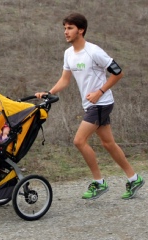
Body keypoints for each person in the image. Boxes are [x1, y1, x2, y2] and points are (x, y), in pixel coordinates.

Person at [35, 13, 144, 200]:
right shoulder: (68, 54)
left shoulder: (94, 52)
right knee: (108, 143)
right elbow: (65, 79)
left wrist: (99, 92)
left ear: (81, 30)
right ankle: (134, 178)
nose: (65, 32)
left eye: (70, 28)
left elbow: (118, 73)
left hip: (101, 103)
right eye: (64, 28)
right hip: (90, 104)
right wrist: (49, 92)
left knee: (79, 141)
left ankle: (99, 183)